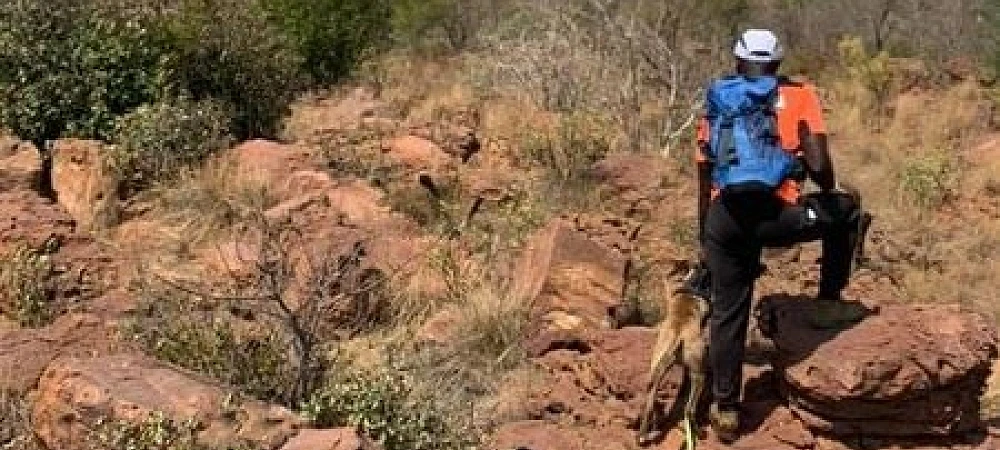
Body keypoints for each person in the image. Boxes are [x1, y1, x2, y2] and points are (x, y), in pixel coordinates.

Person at [692, 29, 872, 442]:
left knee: (728, 314)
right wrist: (820, 187)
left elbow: (704, 177)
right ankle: (828, 300)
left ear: (738, 62)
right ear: (776, 65)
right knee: (845, 210)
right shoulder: (801, 96)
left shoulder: (721, 100)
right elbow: (821, 167)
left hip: (725, 219)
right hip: (780, 218)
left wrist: (706, 240)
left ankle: (726, 409)